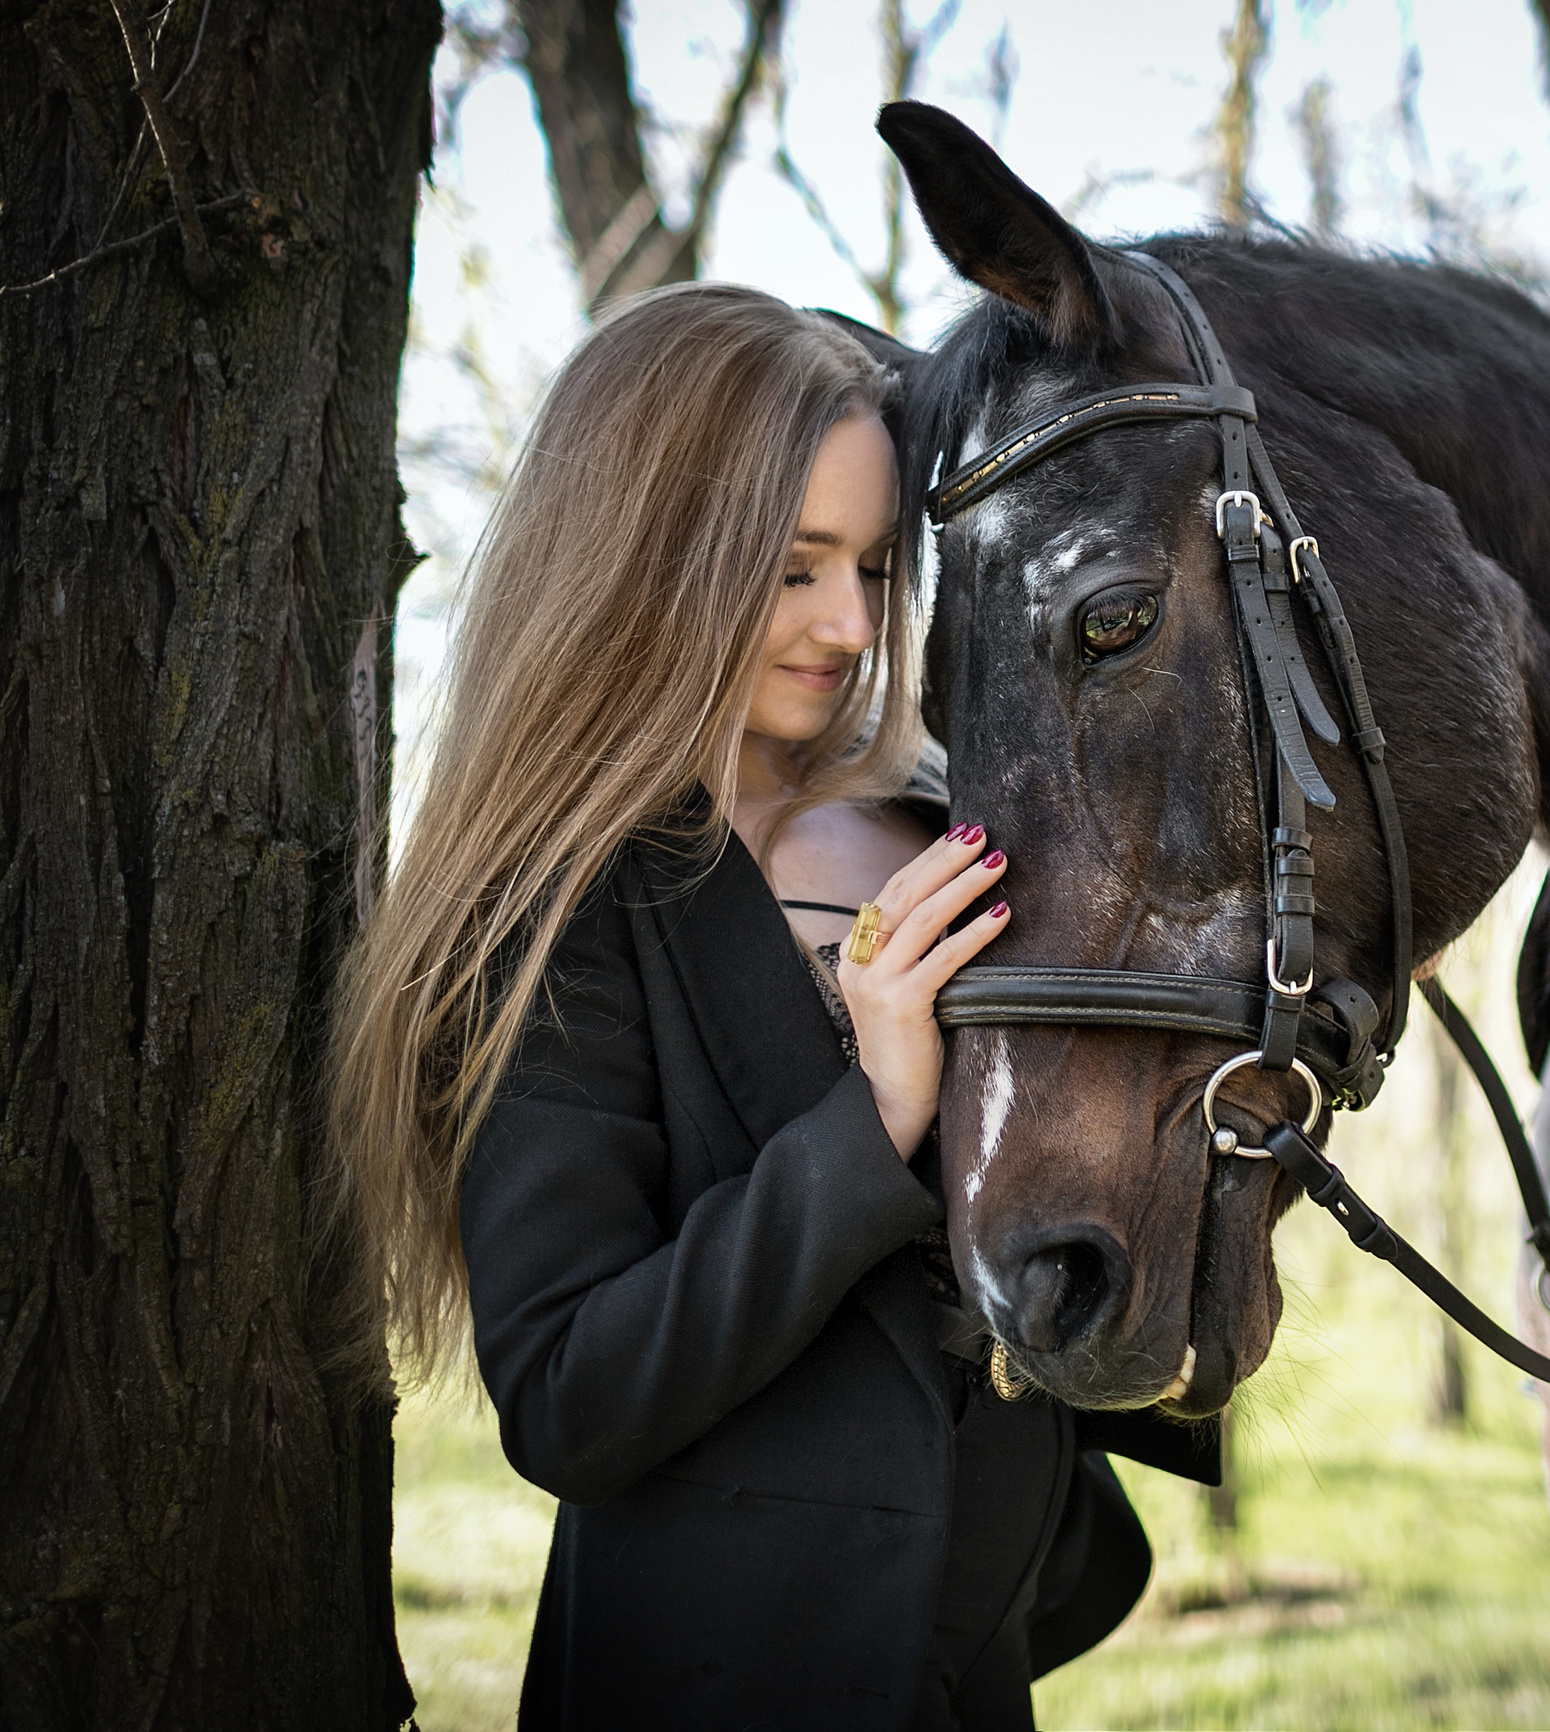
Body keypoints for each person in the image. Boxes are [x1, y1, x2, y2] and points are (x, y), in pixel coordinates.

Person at [330, 282, 1200, 1730]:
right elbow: (569, 1392)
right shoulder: (550, 909)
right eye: (793, 570)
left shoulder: (956, 834)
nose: (850, 626)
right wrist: (877, 1115)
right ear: (646, 556)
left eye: (870, 565)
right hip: (713, 1679)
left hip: (979, 1662)